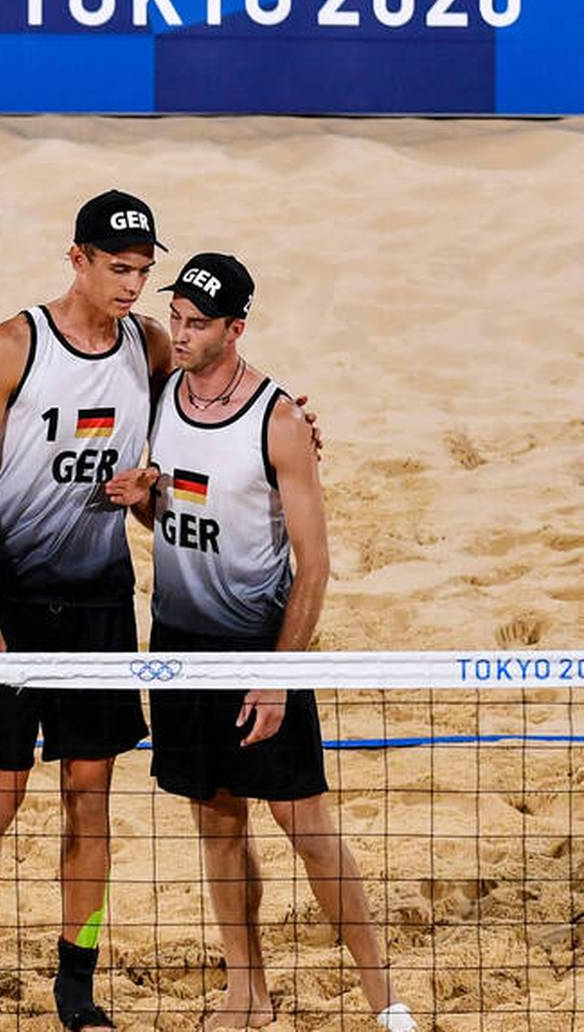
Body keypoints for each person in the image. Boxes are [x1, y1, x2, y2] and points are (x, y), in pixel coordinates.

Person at [108, 253, 416, 1032]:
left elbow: (316, 565)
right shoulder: (162, 396)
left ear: (235, 329)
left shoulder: (278, 420)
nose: (180, 333)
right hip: (178, 643)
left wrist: (278, 675)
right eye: (176, 318)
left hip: (256, 645)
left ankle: (384, 998)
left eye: (197, 324)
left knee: (307, 829)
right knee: (217, 822)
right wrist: (141, 503)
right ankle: (247, 993)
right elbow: (171, 521)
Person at [0, 189, 171, 1031]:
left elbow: (186, 447)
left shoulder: (149, 346)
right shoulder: (11, 346)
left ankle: (77, 981)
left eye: (143, 271)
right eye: (118, 268)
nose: (132, 286)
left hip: (99, 600)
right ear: (77, 258)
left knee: (88, 797)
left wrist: (149, 490)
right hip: (6, 598)